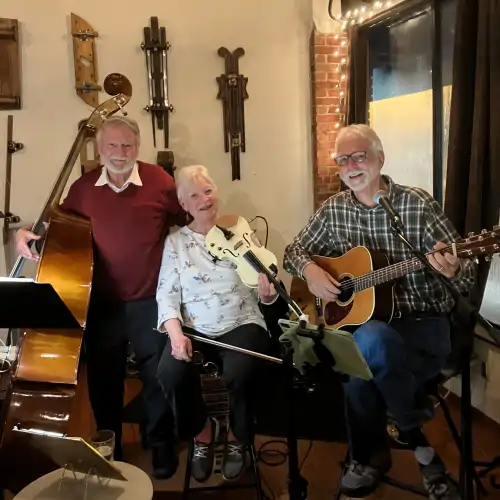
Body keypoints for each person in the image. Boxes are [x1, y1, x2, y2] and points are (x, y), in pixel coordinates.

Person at [283, 124, 474, 499]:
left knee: (360, 360)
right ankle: (421, 449)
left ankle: (369, 459)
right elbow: (293, 252)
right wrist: (311, 272)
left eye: (360, 156)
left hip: (424, 327)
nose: (351, 166)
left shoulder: (416, 205)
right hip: (370, 328)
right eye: (343, 160)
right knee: (367, 349)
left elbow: (466, 272)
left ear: (380, 159)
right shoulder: (334, 210)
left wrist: (454, 268)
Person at [14, 115, 187, 479]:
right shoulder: (83, 188)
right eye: (112, 145)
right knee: (104, 382)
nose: (120, 152)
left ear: (137, 147)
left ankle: (160, 444)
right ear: (99, 148)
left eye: (127, 145)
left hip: (151, 300)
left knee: (157, 378)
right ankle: (111, 449)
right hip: (102, 303)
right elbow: (56, 228)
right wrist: (25, 233)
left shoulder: (160, 181)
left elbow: (185, 219)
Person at [156, 164, 285, 483]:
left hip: (242, 320)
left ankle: (237, 437)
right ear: (183, 204)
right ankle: (202, 432)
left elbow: (262, 285)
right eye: (194, 195)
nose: (204, 199)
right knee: (170, 373)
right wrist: (175, 335)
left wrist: (267, 295)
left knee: (243, 371)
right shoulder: (175, 242)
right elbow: (166, 294)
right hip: (194, 326)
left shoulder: (239, 230)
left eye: (208, 191)